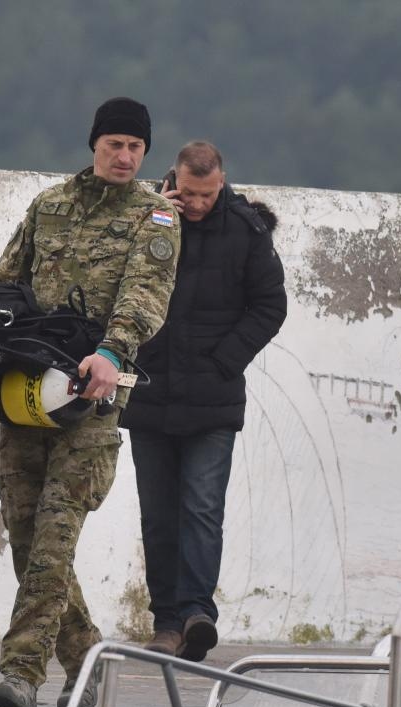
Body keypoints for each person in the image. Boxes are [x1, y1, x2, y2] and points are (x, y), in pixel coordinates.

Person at [0, 97, 180, 707]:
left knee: (52, 539)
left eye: (135, 147)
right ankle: (86, 655)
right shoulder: (50, 207)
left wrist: (112, 352)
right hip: (28, 396)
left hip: (92, 403)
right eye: (114, 144)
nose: (124, 156)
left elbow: (145, 295)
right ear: (93, 145)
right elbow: (5, 281)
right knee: (23, 535)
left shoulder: (155, 218)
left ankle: (22, 672)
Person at [120, 141, 287, 661]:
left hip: (212, 400)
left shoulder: (246, 230)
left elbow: (270, 305)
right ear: (173, 179)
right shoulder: (147, 219)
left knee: (201, 508)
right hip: (149, 393)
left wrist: (222, 363)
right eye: (189, 194)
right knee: (158, 514)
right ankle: (166, 621)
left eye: (207, 194)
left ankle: (196, 614)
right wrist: (161, 218)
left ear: (222, 181)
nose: (197, 204)